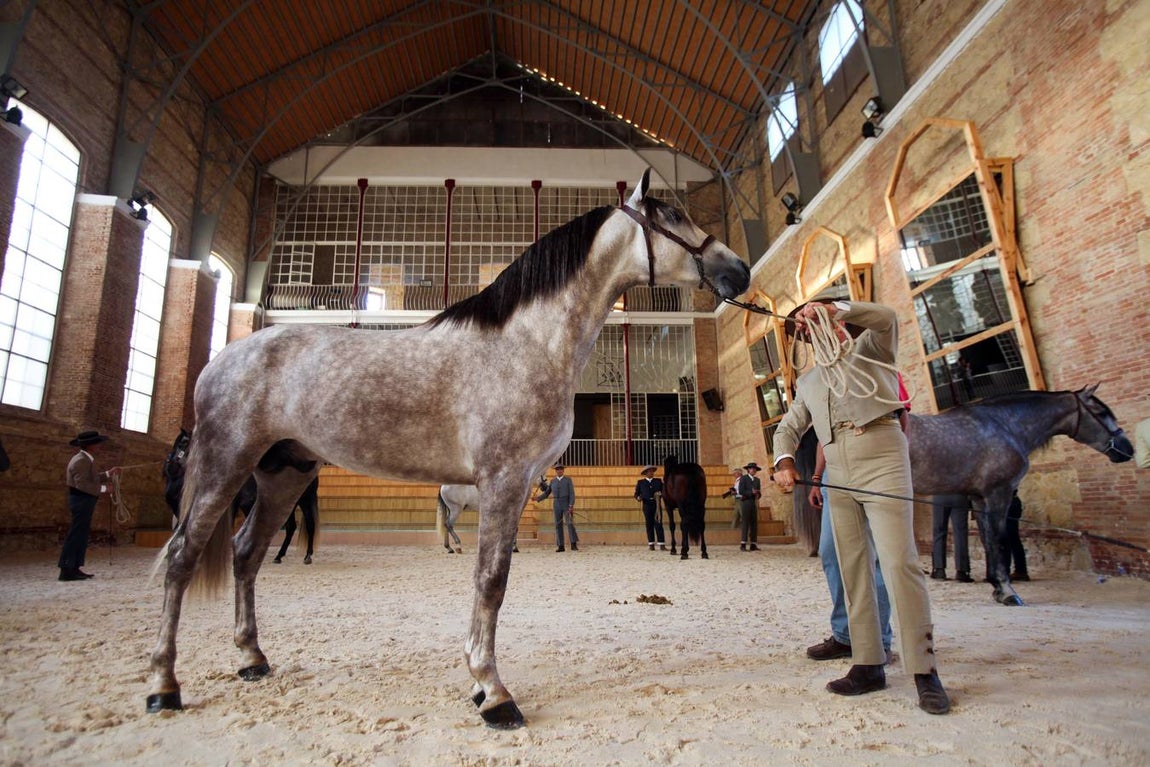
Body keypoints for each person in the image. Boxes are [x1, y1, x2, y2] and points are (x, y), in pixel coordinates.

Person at [772, 300, 950, 715]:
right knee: (851, 565)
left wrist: (837, 307)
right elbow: (789, 426)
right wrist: (783, 460)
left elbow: (887, 317)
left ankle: (924, 670)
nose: (816, 330)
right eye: (808, 327)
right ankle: (868, 663)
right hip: (838, 468)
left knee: (898, 562)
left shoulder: (872, 348)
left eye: (821, 323)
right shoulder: (810, 381)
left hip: (883, 455)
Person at [805, 440, 894, 663]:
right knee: (830, 552)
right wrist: (817, 478)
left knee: (875, 558)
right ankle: (844, 635)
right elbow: (823, 438)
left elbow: (900, 423)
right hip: (833, 475)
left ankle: (880, 639)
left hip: (873, 468)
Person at [59, 430, 120, 581]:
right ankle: (67, 568)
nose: (100, 445)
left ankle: (74, 567)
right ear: (90, 445)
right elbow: (82, 484)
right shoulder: (81, 461)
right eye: (97, 443)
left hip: (84, 500)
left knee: (81, 534)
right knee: (76, 534)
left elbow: (90, 477)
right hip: (81, 500)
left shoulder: (86, 459)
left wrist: (107, 474)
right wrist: (105, 489)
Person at [535, 463, 578, 552]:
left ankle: (573, 544)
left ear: (563, 470)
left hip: (566, 503)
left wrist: (571, 505)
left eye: (560, 469)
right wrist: (538, 498)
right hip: (556, 504)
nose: (559, 471)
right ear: (556, 471)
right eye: (557, 469)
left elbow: (572, 493)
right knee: (558, 525)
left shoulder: (568, 480)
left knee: (570, 523)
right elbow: (547, 493)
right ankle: (560, 545)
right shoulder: (553, 481)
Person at [930, 494, 974, 582]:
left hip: (940, 494)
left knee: (939, 532)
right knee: (960, 533)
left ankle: (939, 570)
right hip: (959, 495)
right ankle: (962, 571)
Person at [633, 465, 666, 551]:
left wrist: (660, 494)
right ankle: (651, 544)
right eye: (649, 471)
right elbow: (636, 494)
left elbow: (664, 491)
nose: (651, 473)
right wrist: (638, 498)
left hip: (657, 505)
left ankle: (662, 544)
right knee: (649, 524)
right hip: (646, 505)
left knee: (658, 523)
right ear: (645, 473)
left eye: (652, 471)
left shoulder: (658, 481)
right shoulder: (640, 483)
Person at [1003, 491, 1028, 581]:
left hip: (1006, 502)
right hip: (1012, 501)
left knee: (1005, 539)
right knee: (1013, 539)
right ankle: (1021, 571)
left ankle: (1004, 573)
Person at [740, 462, 762, 551]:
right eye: (751, 468)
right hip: (746, 502)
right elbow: (741, 491)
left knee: (754, 523)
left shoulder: (757, 480)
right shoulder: (744, 478)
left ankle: (753, 544)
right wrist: (750, 493)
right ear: (748, 470)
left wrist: (758, 494)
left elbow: (759, 491)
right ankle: (743, 544)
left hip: (753, 502)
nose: (753, 470)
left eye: (754, 469)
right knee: (745, 522)